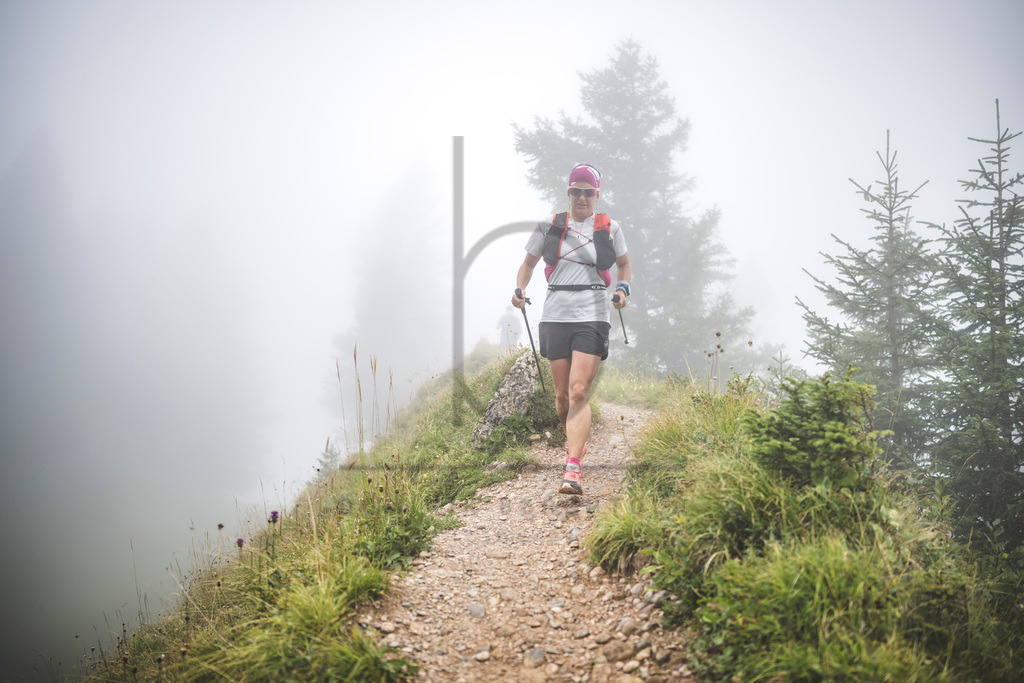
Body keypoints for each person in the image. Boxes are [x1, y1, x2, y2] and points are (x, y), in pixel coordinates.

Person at [511, 163, 631, 495]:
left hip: (592, 312)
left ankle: (573, 468)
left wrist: (622, 289)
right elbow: (528, 264)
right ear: (568, 193)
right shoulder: (550, 226)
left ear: (596, 195)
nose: (581, 197)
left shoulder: (610, 228)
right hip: (555, 312)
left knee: (579, 391)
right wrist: (520, 290)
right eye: (576, 191)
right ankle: (573, 443)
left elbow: (624, 264)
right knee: (562, 396)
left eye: (588, 192)